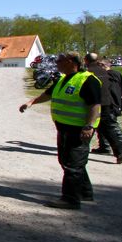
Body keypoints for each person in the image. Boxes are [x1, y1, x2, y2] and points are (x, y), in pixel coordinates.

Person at [19, 52, 101, 210]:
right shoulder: (63, 78)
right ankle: (85, 192)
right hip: (64, 126)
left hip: (79, 128)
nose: (56, 63)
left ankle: (70, 199)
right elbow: (48, 94)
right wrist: (31, 102)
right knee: (67, 161)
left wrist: (89, 126)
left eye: (59, 61)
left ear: (71, 62)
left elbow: (95, 105)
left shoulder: (88, 80)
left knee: (73, 164)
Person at [84, 54, 122, 163]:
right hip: (107, 103)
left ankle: (121, 151)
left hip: (99, 104)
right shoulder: (107, 72)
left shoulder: (89, 73)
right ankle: (113, 150)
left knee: (101, 126)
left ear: (86, 60)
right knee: (106, 128)